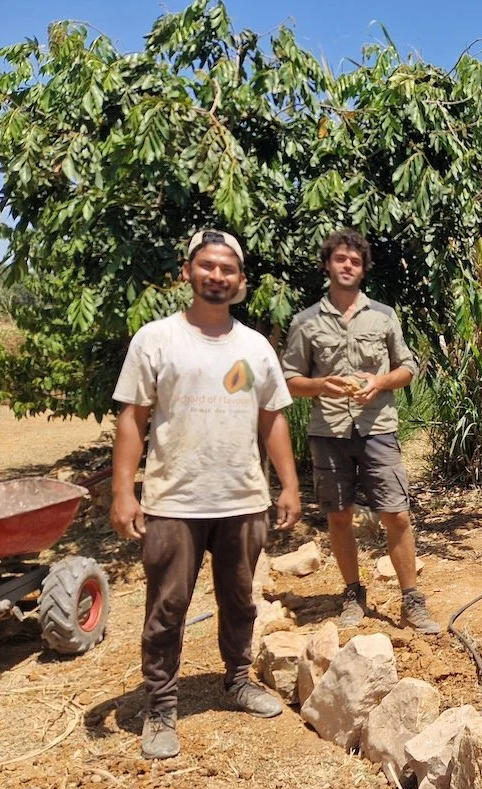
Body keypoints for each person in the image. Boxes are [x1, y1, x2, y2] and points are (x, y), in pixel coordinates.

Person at [111, 229, 301, 761]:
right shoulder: (156, 339)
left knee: (240, 600)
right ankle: (161, 705)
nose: (217, 275)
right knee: (168, 606)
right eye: (207, 266)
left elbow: (272, 420)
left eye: (227, 269)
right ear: (187, 273)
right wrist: (125, 492)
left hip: (242, 497)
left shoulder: (254, 346)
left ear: (240, 281)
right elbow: (133, 418)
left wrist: (287, 485)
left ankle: (238, 681)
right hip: (175, 500)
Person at [281, 229, 440, 634]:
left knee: (397, 514)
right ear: (327, 265)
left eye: (354, 260)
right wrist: (320, 385)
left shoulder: (383, 316)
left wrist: (380, 382)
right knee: (338, 517)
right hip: (328, 431)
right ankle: (353, 593)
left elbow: (408, 368)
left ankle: (411, 600)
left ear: (363, 268)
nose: (347, 265)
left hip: (378, 430)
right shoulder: (306, 322)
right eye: (340, 259)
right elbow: (289, 380)